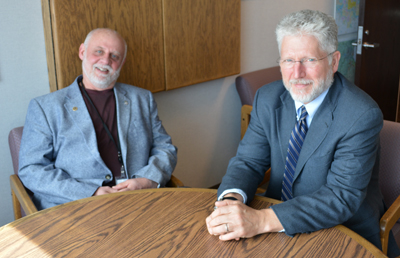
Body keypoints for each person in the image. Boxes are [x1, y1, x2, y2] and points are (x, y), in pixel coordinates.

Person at [206, 9, 399, 256]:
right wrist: (231, 202)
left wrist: (261, 220)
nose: (296, 74)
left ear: (334, 61)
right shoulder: (267, 98)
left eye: (309, 60)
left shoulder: (361, 114)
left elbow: (341, 197)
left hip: (342, 229)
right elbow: (248, 161)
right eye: (288, 60)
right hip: (277, 217)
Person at [19, 28, 177, 210]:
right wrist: (90, 192)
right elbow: (31, 170)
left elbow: (165, 148)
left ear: (122, 62)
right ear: (82, 52)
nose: (105, 60)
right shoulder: (45, 107)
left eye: (115, 56)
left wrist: (146, 180)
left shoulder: (142, 98)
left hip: (137, 200)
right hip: (76, 206)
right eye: (99, 51)